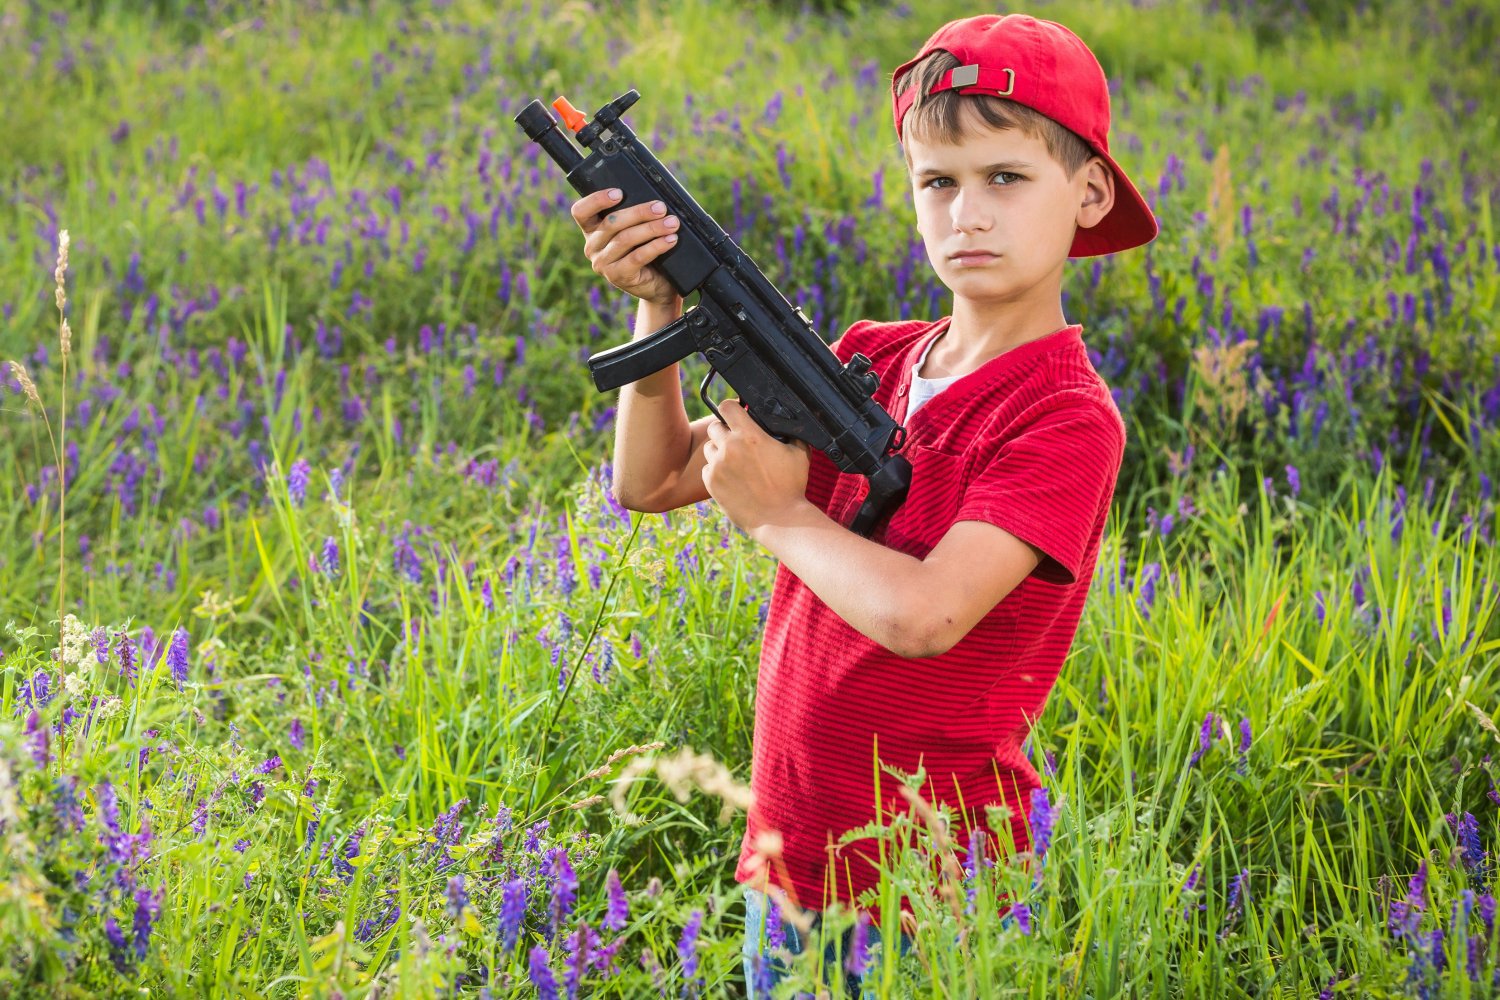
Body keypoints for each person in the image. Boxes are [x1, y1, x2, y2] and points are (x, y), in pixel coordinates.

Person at [568, 12, 1157, 996]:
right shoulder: (870, 358)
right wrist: (660, 301)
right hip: (790, 861)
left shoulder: (1064, 414)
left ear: (1089, 192)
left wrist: (780, 518)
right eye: (939, 182)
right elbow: (651, 480)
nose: (968, 215)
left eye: (1005, 178)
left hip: (934, 889)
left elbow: (926, 615)